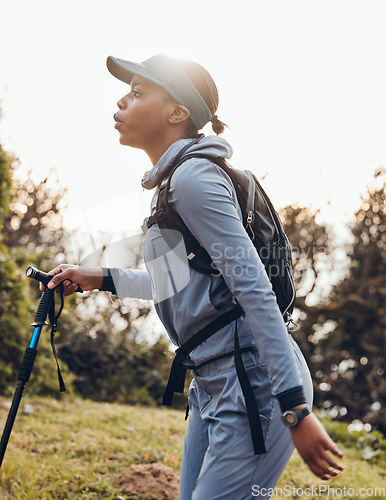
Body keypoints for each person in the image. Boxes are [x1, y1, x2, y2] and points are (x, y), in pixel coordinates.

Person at [43, 53, 345, 499]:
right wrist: (102, 278)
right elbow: (174, 288)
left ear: (177, 113)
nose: (122, 101)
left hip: (256, 386)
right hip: (214, 383)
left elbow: (254, 289)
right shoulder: (170, 188)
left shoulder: (193, 180)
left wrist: (294, 408)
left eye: (138, 92)